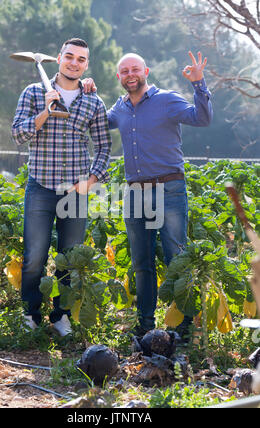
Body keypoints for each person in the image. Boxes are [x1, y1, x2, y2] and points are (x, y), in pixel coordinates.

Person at [83, 51, 213, 337]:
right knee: (141, 262)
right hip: (135, 193)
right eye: (125, 71)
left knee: (175, 258)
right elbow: (97, 124)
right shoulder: (120, 108)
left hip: (169, 189)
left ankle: (184, 326)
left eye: (135, 70)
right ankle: (145, 325)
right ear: (119, 77)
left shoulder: (167, 100)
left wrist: (199, 84)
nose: (130, 75)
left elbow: (201, 118)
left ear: (146, 71)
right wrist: (89, 93)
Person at [12, 38, 112, 336]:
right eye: (69, 57)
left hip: (75, 193)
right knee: (35, 257)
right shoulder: (34, 92)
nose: (74, 63)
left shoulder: (93, 101)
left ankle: (61, 316)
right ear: (58, 59)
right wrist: (45, 110)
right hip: (40, 187)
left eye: (81, 59)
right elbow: (18, 134)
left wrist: (92, 180)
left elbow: (104, 148)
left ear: (85, 65)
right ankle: (30, 314)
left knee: (68, 257)